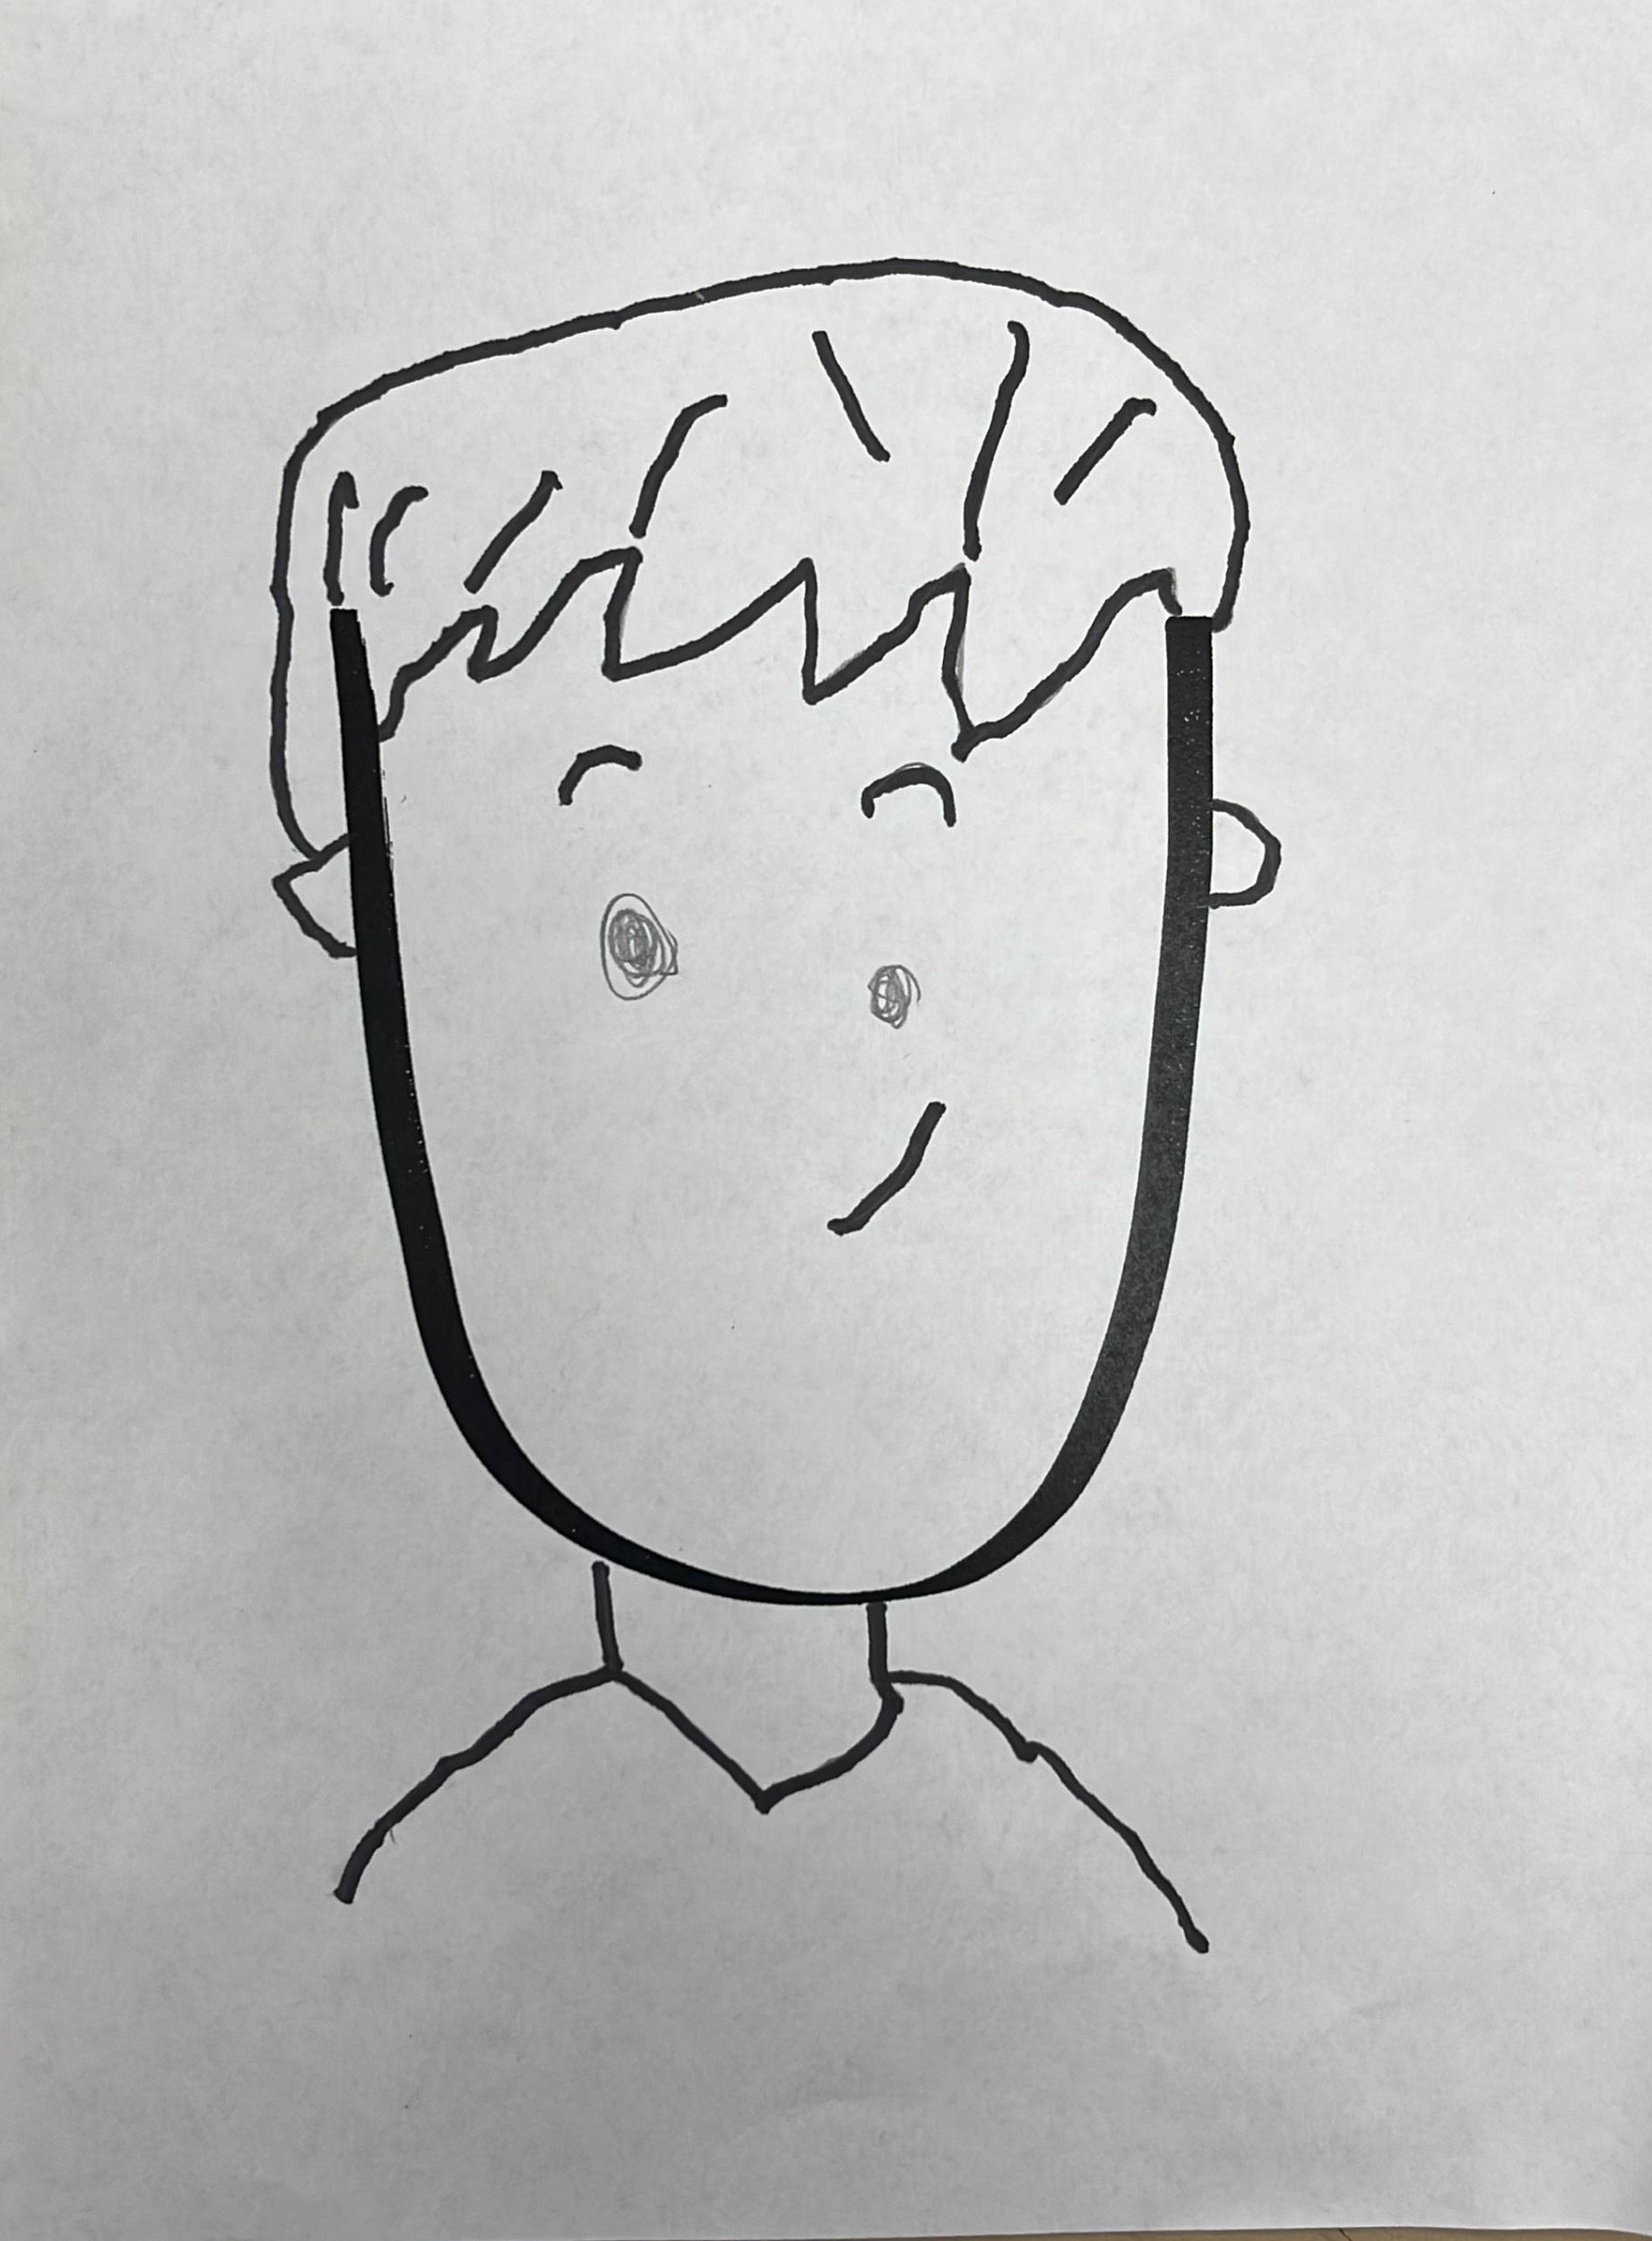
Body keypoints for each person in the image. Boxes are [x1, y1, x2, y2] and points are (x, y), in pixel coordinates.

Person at [269, 260, 1277, 1952]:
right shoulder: (415, 1911)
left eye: (926, 944)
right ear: (375, 922)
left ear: (1185, 896)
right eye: (637, 943)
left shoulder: (1071, 1899)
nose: (859, 1120)